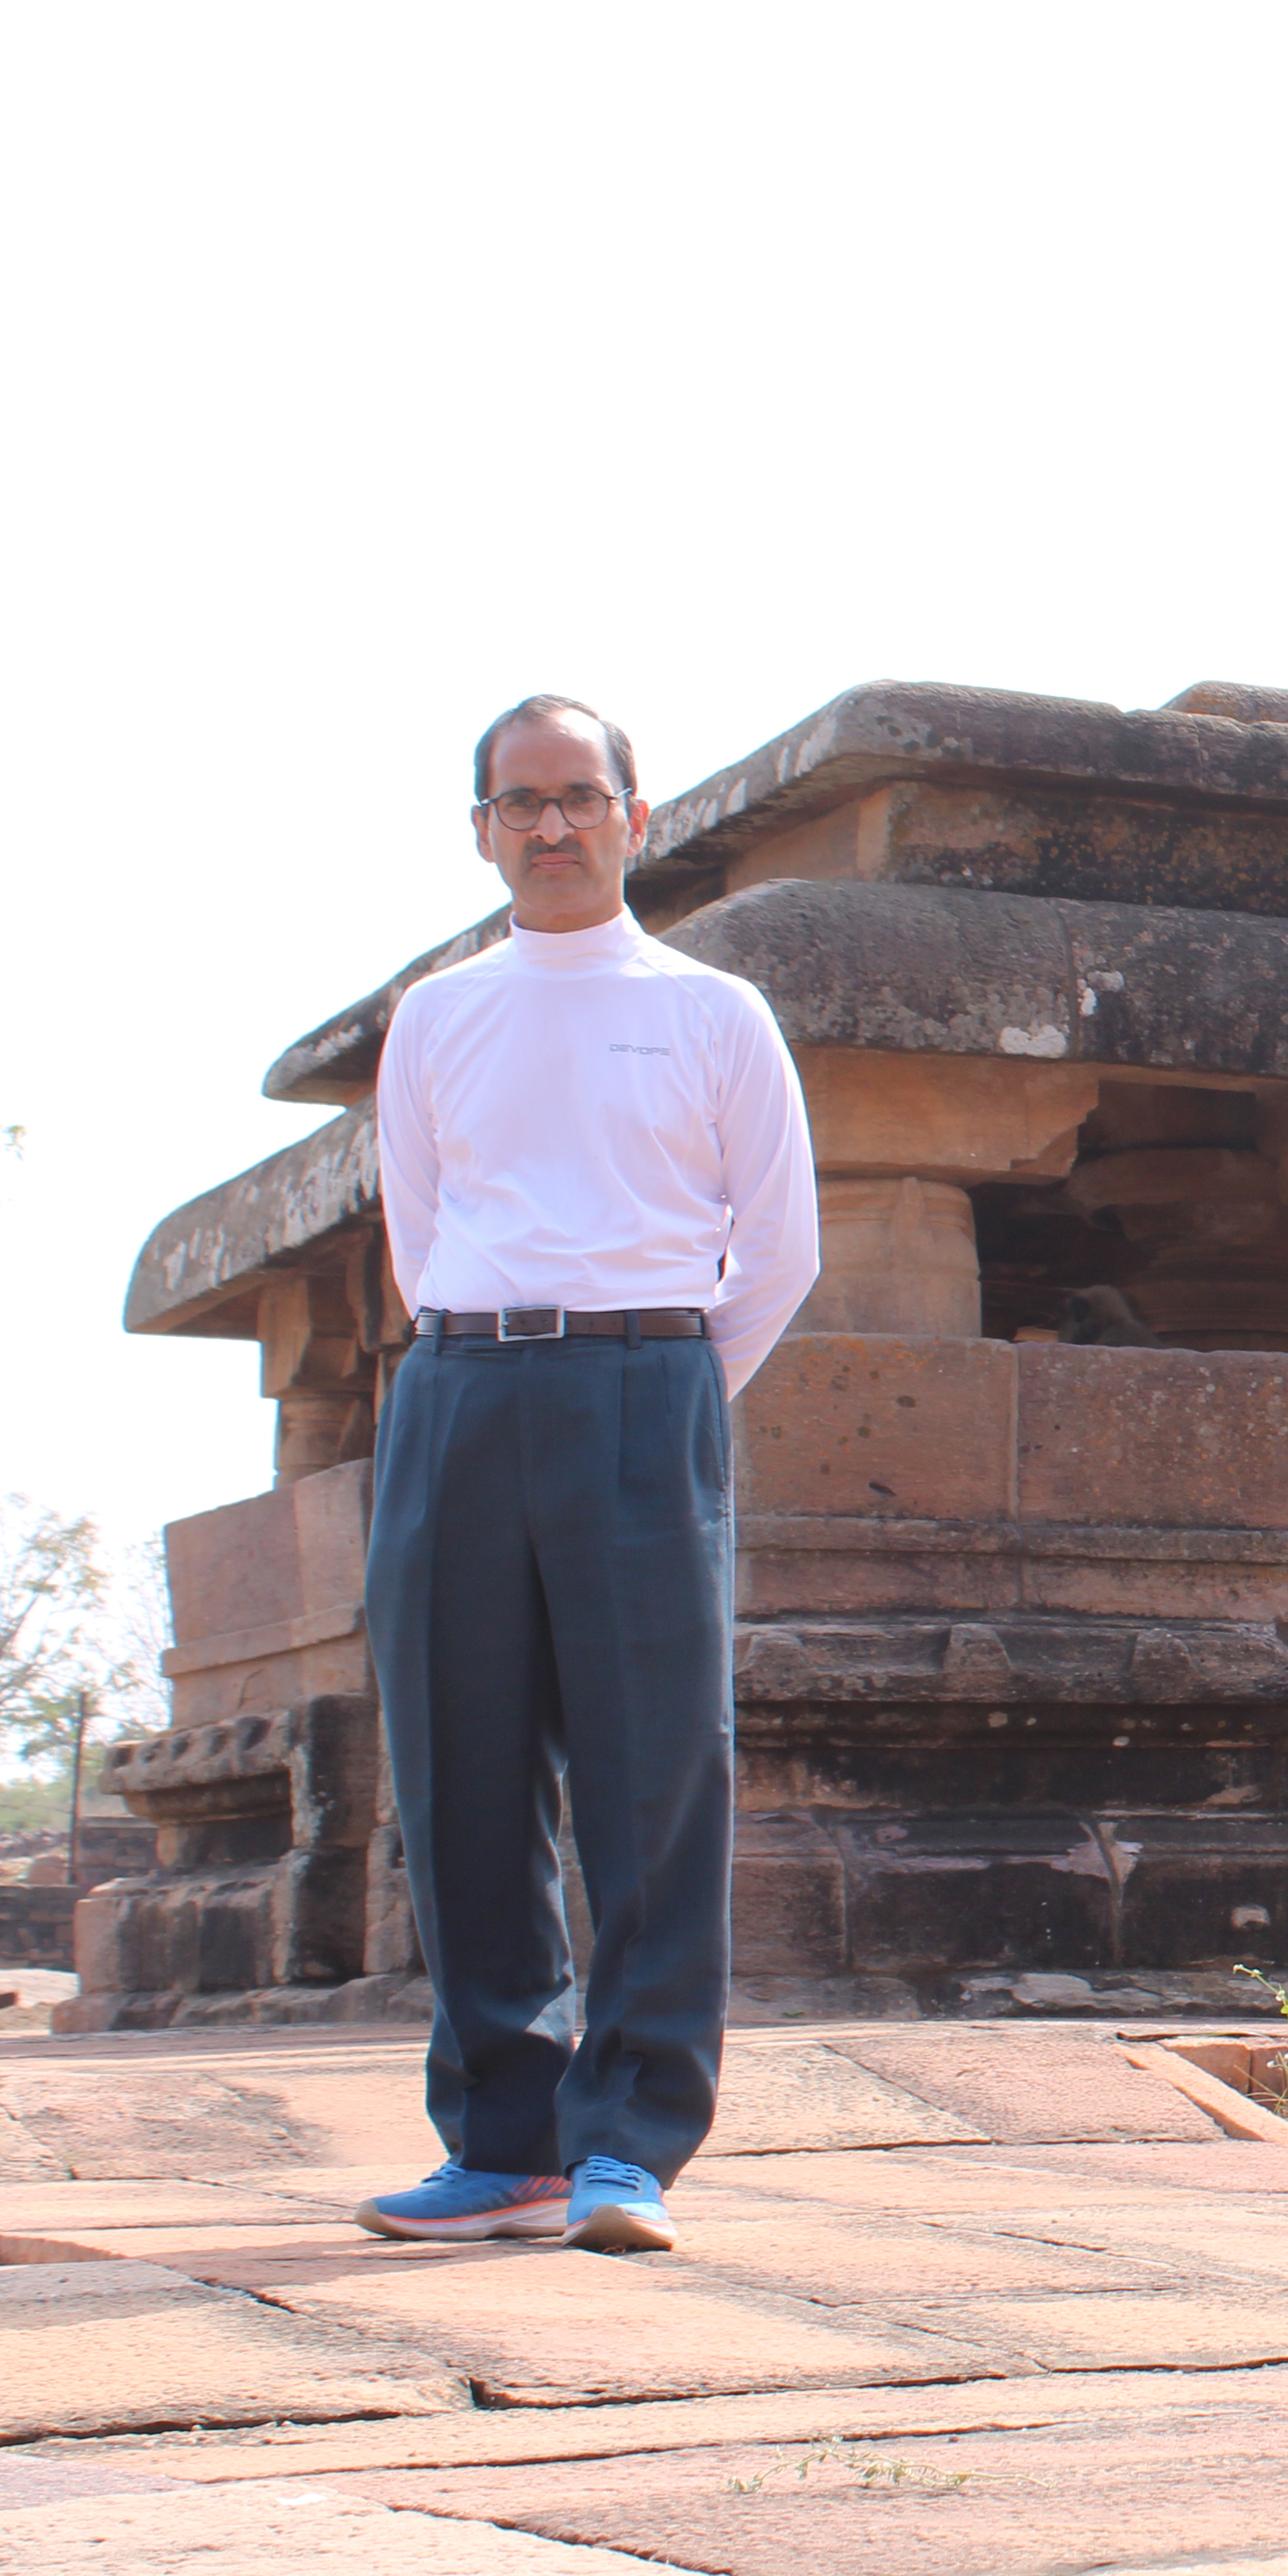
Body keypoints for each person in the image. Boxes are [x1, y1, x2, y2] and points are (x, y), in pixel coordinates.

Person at [352, 696, 820, 2254]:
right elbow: (420, 1239)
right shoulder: (436, 1015)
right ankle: (503, 2135)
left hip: (643, 1376)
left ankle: (628, 2141)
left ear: (634, 815)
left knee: (653, 1771)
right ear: (483, 828)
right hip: (464, 1381)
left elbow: (780, 1248)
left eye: (578, 796)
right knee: (456, 1763)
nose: (550, 825)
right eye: (519, 802)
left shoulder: (713, 1011)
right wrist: (502, 1356)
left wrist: (660, 1390)